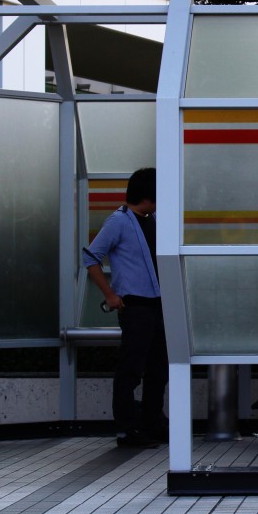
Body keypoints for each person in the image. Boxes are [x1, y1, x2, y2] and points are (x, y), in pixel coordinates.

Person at [82, 168, 168, 448]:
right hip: (134, 305)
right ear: (148, 196)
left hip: (158, 304)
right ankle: (128, 429)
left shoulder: (153, 219)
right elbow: (91, 257)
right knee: (131, 368)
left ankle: (152, 424)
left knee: (159, 368)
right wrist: (109, 294)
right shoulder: (118, 221)